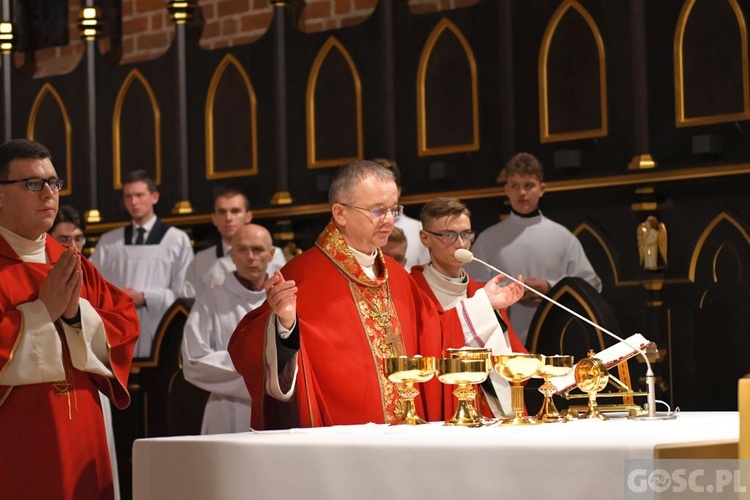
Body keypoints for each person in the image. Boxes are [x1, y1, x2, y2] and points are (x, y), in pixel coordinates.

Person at [228, 160, 523, 429]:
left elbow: (434, 332)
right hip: (341, 443)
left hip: (404, 435)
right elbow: (246, 350)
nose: (389, 220)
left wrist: (484, 305)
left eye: (394, 209)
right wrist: (285, 326)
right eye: (377, 210)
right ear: (340, 213)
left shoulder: (395, 275)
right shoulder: (304, 276)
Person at [0, 139, 139, 499]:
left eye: (53, 182)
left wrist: (77, 314)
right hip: (19, 442)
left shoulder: (70, 262)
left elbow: (124, 324)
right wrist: (40, 313)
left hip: (84, 436)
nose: (48, 193)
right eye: (32, 183)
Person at [466, 152, 602, 345]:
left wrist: (550, 287)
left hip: (557, 332)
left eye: (529, 185)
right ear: (507, 189)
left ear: (542, 189)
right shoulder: (488, 239)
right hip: (503, 336)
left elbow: (591, 284)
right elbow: (473, 289)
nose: (522, 193)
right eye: (515, 186)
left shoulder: (562, 237)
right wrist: (508, 293)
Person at [412, 197, 527, 417]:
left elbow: (511, 360)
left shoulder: (481, 293)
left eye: (466, 234)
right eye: (449, 235)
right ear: (425, 238)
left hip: (488, 407)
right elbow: (427, 344)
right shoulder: (412, 290)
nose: (461, 243)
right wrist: (483, 307)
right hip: (442, 405)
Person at [48, 204, 122, 500]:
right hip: (48, 389)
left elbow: (120, 319)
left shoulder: (89, 274)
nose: (73, 246)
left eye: (78, 238)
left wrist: (77, 315)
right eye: (64, 239)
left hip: (89, 384)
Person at [182, 224, 276, 434]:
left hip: (276, 408)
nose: (250, 257)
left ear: (271, 254)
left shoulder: (283, 301)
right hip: (225, 410)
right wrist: (261, 374)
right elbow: (194, 361)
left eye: (258, 249)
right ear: (231, 255)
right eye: (242, 250)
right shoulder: (210, 301)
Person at [91, 170, 193, 358]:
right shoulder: (109, 242)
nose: (133, 202)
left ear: (154, 197)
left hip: (161, 332)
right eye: (128, 196)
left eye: (139, 195)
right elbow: (94, 286)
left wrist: (145, 297)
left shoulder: (177, 240)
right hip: (117, 332)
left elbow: (185, 293)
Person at [181, 188, 285, 298]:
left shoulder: (275, 256)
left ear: (248, 216)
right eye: (222, 212)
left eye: (235, 211)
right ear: (214, 218)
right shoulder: (201, 261)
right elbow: (188, 300)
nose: (228, 218)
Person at [372, 158, 430, 268]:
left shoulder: (418, 230)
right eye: (376, 187)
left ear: (398, 190)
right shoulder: (359, 228)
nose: (382, 193)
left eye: (388, 187)